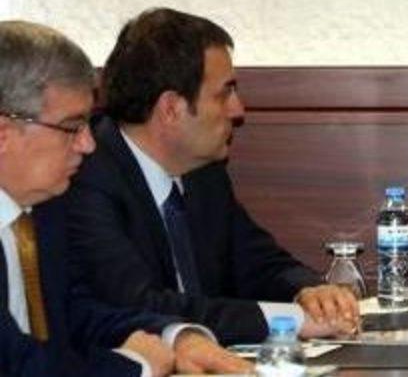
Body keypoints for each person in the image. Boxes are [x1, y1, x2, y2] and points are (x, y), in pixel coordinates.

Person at [65, 8, 359, 345]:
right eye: (225, 93)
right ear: (171, 108)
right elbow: (140, 306)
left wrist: (309, 291)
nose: (238, 110)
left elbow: (258, 262)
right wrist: (289, 321)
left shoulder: (203, 173)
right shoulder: (87, 177)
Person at [0, 20, 248, 376]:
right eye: (72, 127)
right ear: (4, 134)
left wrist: (176, 337)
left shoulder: (44, 209)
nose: (88, 144)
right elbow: (14, 363)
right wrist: (135, 366)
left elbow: (77, 313)